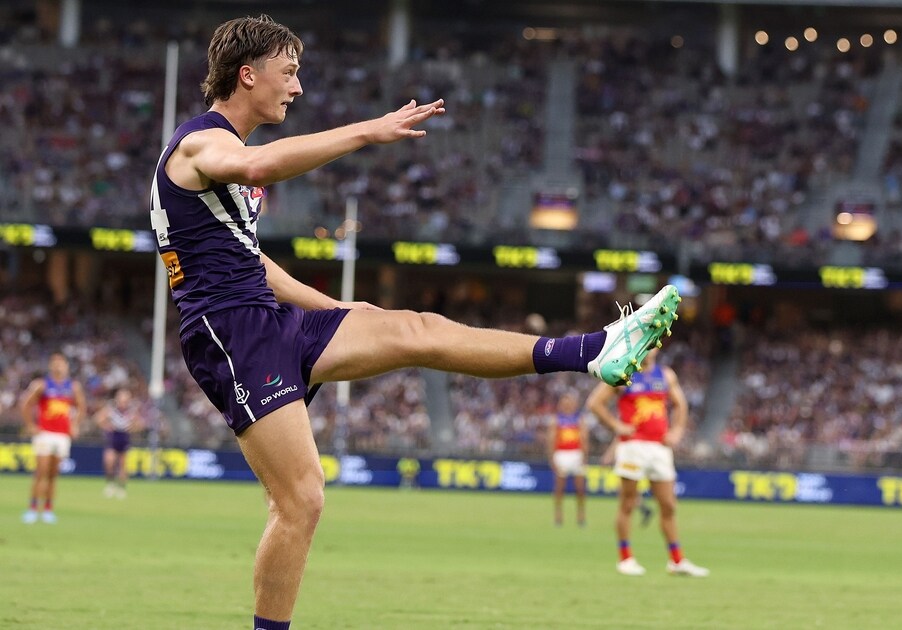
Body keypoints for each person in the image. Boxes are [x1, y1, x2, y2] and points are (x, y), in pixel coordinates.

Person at [149, 15, 681, 629]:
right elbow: (257, 168)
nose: (297, 87)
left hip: (269, 318)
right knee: (300, 500)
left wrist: (338, 310)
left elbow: (254, 262)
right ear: (249, 75)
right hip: (232, 334)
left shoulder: (226, 158)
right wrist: (368, 132)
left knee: (414, 329)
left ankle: (594, 349)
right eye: (289, 72)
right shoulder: (201, 143)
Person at [586, 348, 708, 577]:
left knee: (669, 505)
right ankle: (625, 558)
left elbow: (681, 404)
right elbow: (595, 403)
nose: (650, 349)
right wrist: (616, 426)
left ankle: (677, 561)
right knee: (628, 503)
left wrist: (678, 431)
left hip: (659, 448)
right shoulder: (624, 373)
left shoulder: (666, 375)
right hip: (633, 446)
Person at [21, 352, 86, 524]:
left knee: (53, 474)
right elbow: (26, 404)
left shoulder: (72, 387)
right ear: (50, 365)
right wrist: (30, 425)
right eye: (55, 362)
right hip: (45, 434)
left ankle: (48, 508)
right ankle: (33, 508)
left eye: (61, 362)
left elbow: (81, 407)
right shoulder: (42, 385)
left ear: (66, 365)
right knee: (40, 472)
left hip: (62, 436)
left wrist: (75, 424)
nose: (58, 365)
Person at [546, 391, 588, 527]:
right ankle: (558, 516)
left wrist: (584, 455)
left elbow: (584, 438)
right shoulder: (556, 419)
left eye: (569, 402)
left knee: (580, 489)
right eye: (564, 402)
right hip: (562, 454)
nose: (567, 405)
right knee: (559, 488)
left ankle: (581, 516)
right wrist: (552, 458)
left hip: (576, 454)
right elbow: (551, 440)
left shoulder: (579, 418)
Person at [96, 387, 144, 499]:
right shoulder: (111, 409)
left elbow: (140, 424)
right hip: (113, 438)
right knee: (109, 462)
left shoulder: (132, 411)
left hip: (124, 438)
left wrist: (133, 428)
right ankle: (110, 484)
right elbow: (98, 419)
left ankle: (121, 488)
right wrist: (106, 426)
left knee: (123, 465)